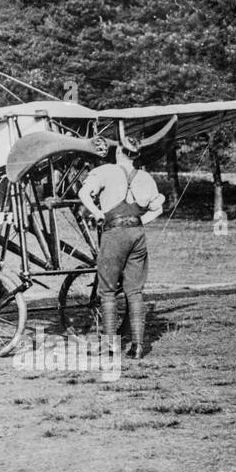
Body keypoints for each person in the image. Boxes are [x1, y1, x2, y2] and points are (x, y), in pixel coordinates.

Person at [78, 130, 166, 359]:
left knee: (107, 292)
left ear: (118, 151)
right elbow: (158, 207)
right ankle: (137, 347)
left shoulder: (105, 171)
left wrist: (97, 212)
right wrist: (140, 221)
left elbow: (83, 193)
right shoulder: (145, 178)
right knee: (134, 292)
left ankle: (110, 346)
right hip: (137, 233)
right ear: (136, 155)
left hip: (114, 233)